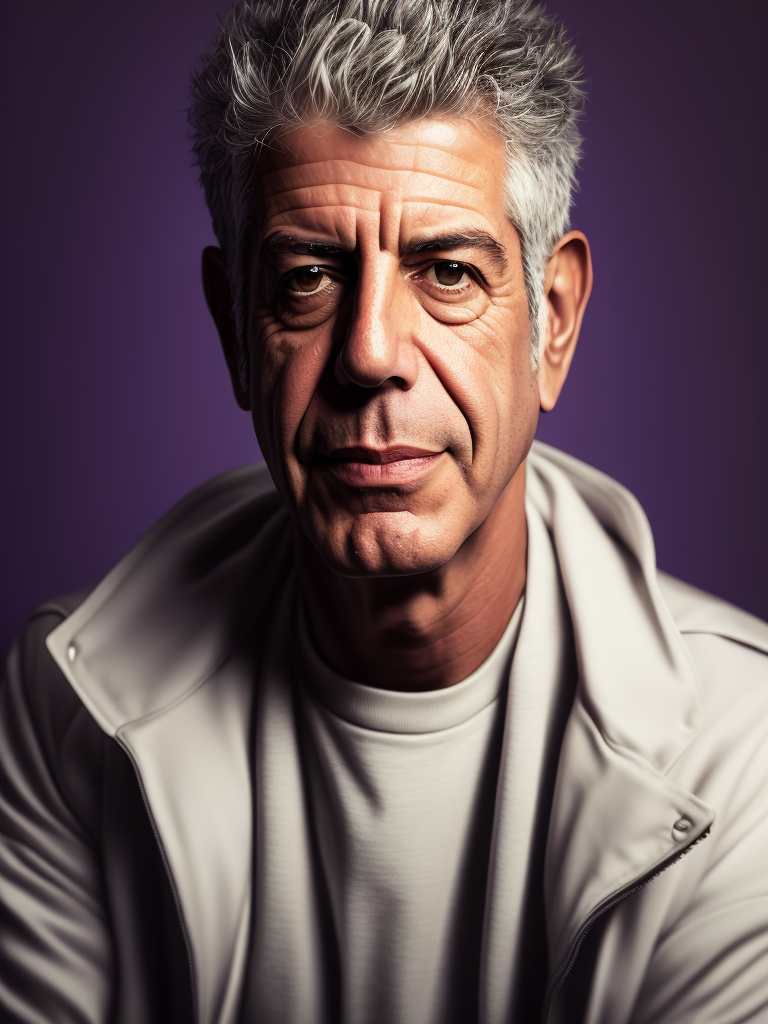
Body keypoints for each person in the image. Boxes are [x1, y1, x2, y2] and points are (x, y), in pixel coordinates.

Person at [2, 1, 767, 1022]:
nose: (370, 354)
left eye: (448, 273)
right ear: (234, 327)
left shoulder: (742, 750)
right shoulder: (69, 707)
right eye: (308, 279)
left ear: (555, 323)